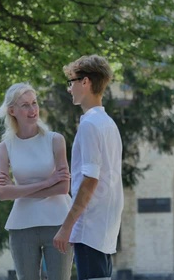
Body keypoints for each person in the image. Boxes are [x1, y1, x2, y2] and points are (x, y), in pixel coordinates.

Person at [53, 55, 124, 280]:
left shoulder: (90, 125)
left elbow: (90, 180)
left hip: (90, 226)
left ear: (85, 82)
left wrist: (67, 227)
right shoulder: (108, 124)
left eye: (71, 82)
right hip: (105, 226)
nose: (69, 89)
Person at [0, 82, 73, 280]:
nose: (32, 109)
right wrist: (47, 183)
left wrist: (19, 190)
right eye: (25, 105)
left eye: (34, 103)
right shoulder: (5, 148)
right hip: (22, 227)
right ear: (12, 110)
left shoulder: (55, 140)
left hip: (58, 224)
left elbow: (63, 187)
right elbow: (2, 193)